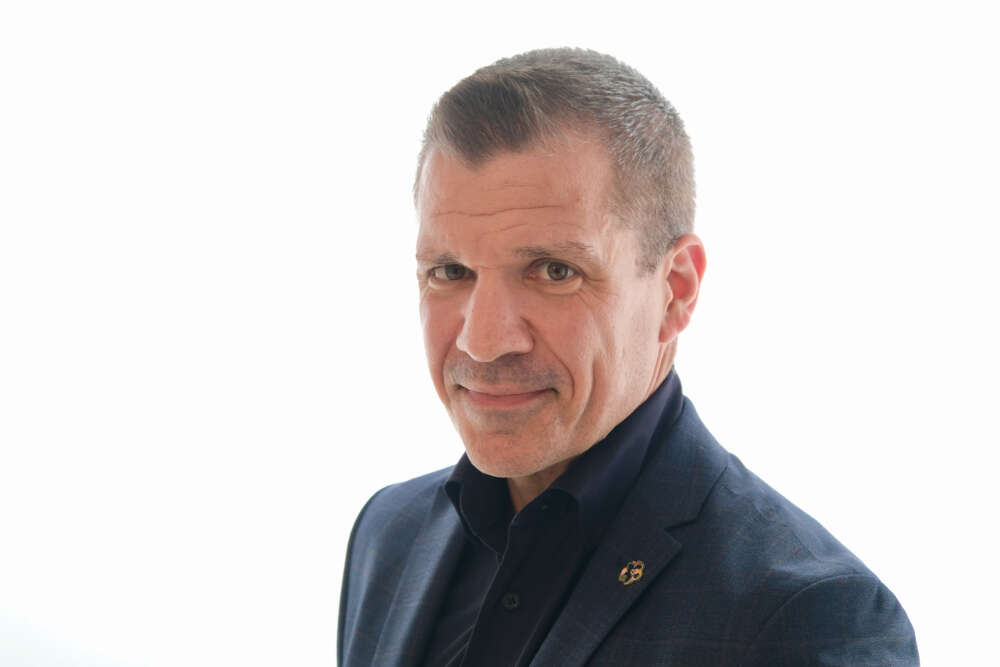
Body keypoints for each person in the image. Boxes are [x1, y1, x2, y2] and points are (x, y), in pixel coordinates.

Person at [338, 48, 918, 666]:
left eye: (553, 271)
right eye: (450, 271)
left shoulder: (809, 615)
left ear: (675, 291)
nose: (483, 340)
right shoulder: (387, 534)